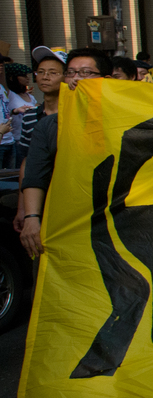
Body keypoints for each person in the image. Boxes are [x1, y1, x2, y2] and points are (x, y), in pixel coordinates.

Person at [20, 49, 111, 257]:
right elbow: (35, 175)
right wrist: (31, 218)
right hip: (63, 223)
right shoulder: (49, 126)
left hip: (113, 221)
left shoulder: (124, 121)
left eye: (86, 73)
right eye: (70, 73)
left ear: (106, 79)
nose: (76, 79)